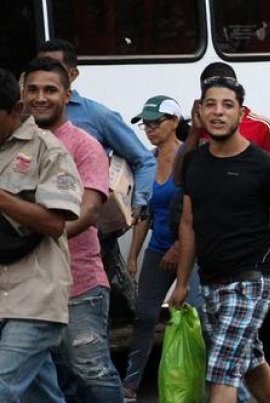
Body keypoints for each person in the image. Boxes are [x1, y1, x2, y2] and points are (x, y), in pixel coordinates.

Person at [167, 76, 270, 403]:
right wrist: (182, 283)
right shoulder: (195, 162)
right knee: (249, 362)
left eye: (227, 105)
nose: (218, 112)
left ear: (240, 113)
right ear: (200, 112)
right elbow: (189, 224)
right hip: (211, 281)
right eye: (210, 104)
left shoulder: (265, 167)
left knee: (221, 370)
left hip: (251, 280)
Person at [23, 57, 125, 402]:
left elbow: (89, 211)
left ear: (67, 95)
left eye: (50, 90)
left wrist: (34, 236)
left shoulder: (84, 145)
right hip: (28, 288)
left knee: (91, 372)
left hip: (78, 284)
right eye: (33, 89)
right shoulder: (15, 144)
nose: (40, 97)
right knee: (45, 379)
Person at [37, 39, 156, 318]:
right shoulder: (25, 117)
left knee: (86, 313)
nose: (46, 75)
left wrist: (137, 204)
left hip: (91, 231)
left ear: (73, 74)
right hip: (39, 228)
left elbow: (143, 159)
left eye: (55, 68)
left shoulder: (96, 115)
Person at [0, 68, 82, 402]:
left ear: (16, 110)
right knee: (40, 395)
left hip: (35, 297)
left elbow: (54, 223)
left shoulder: (49, 151)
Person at [122, 95, 206, 401]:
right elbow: (145, 214)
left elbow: (197, 211)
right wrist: (133, 256)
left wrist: (180, 247)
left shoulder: (191, 156)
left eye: (156, 123)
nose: (150, 129)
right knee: (145, 316)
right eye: (145, 124)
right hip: (158, 249)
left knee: (198, 314)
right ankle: (130, 384)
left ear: (174, 122)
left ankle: (215, 379)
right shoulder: (147, 161)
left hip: (191, 249)